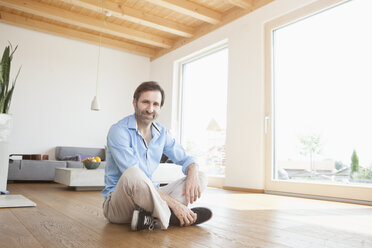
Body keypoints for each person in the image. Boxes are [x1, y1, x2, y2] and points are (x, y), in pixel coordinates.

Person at [102, 81, 212, 231]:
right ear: (135, 102)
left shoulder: (161, 133)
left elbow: (186, 158)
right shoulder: (118, 131)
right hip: (120, 205)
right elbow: (136, 178)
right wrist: (176, 205)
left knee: (200, 176)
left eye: (155, 104)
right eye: (145, 102)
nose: (150, 109)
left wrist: (192, 171)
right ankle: (170, 215)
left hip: (149, 198)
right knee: (133, 173)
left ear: (160, 107)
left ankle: (149, 219)